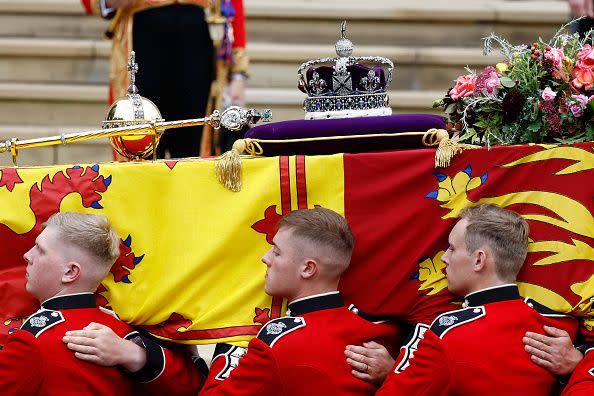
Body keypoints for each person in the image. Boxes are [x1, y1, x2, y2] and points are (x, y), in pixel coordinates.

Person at [63, 207, 402, 395]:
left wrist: (220, 353)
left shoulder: (278, 341)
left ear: (308, 268)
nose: (265, 259)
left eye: (277, 251)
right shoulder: (380, 332)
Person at [346, 204, 578, 395]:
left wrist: (394, 372)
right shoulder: (557, 326)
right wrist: (577, 363)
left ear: (479, 260)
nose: (444, 258)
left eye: (451, 248)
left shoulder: (449, 334)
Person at [80, 0, 248, 158]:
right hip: (142, 36)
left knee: (193, 147)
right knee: (139, 142)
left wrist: (237, 72)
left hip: (197, 39)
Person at [0, 212, 138, 394]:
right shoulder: (125, 336)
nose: (27, 255)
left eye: (40, 249)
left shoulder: (34, 340)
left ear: (70, 272)